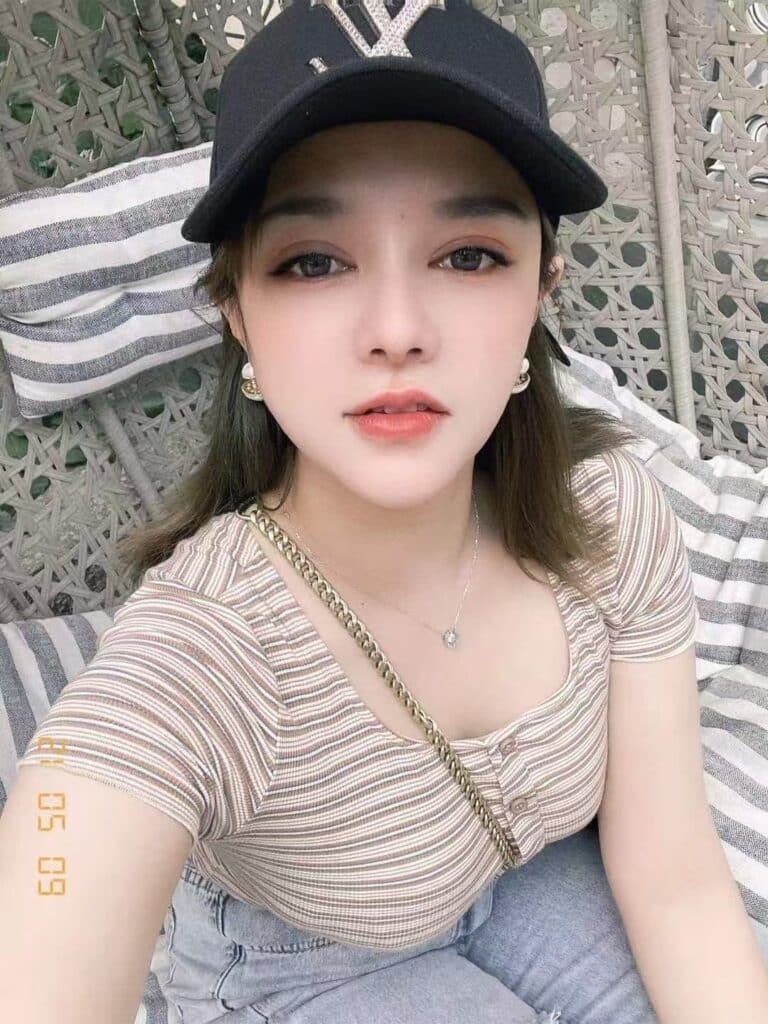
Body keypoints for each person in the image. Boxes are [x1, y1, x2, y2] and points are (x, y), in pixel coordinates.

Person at [2, 0, 767, 1021]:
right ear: (238, 314)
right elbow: (71, 829)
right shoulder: (207, 645)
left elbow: (675, 879)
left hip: (522, 874)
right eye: (313, 261)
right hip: (304, 962)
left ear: (541, 291)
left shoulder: (613, 515)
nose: (397, 329)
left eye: (470, 255)